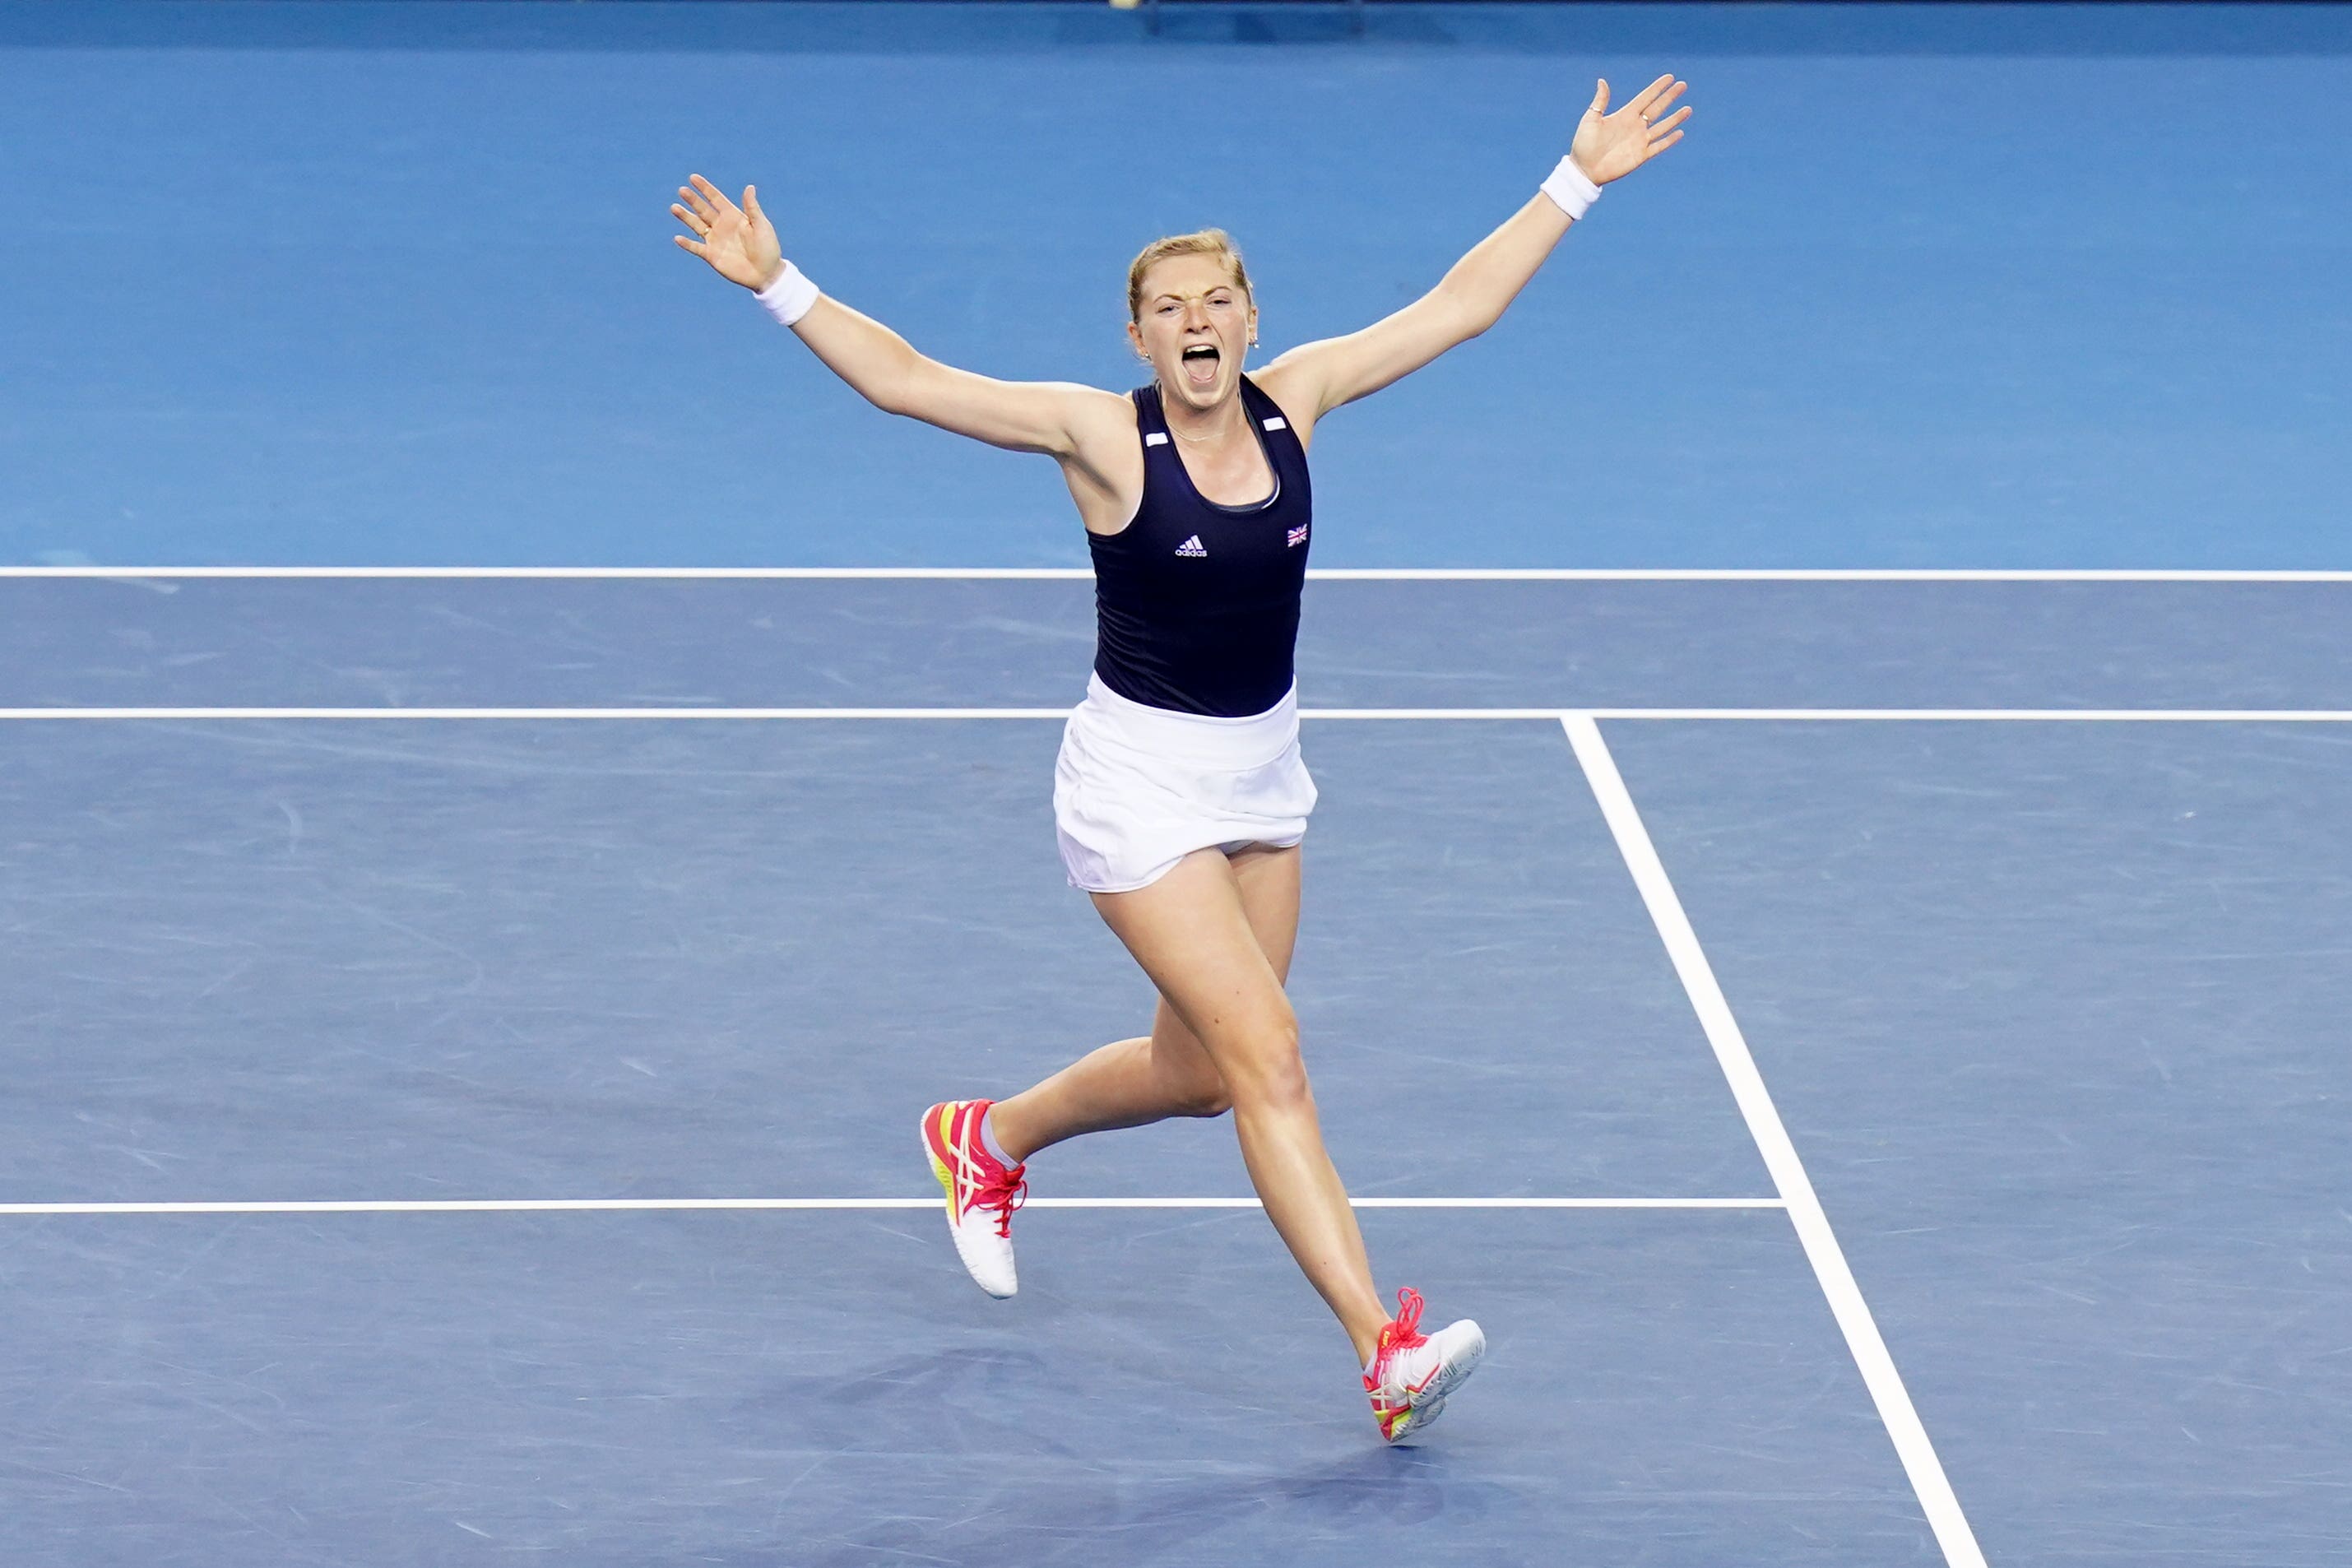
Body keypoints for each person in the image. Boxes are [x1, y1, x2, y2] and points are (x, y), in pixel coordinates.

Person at [671, 74, 1690, 1442]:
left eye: (1219, 301)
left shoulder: (1300, 397)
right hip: (1136, 784)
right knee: (1268, 1054)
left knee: (1204, 1073)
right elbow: (909, 381)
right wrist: (777, 281)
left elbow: (1460, 306)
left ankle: (989, 1138)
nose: (1198, 322)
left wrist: (1577, 179)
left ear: (1250, 320)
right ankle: (1381, 1351)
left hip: (1263, 776)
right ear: (1139, 335)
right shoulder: (1100, 435)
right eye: (1171, 306)